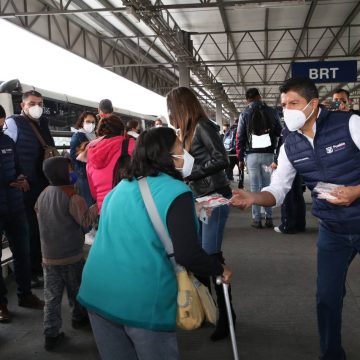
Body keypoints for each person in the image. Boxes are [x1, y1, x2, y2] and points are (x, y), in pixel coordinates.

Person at [231, 76, 360, 360]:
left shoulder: (349, 124)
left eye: (294, 103)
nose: (287, 110)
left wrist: (356, 191)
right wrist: (254, 197)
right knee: (326, 298)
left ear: (313, 104)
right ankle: (331, 354)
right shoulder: (290, 144)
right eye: (284, 105)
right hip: (333, 229)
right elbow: (278, 190)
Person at [77, 127, 232, 360]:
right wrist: (220, 269)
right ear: (164, 154)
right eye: (180, 147)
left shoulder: (117, 190)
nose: (185, 153)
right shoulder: (177, 192)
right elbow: (188, 254)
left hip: (96, 291)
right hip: (141, 298)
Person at [166, 86, 235, 341]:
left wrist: (189, 174)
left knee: (211, 255)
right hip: (201, 198)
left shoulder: (202, 126)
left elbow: (221, 158)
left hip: (214, 196)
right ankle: (212, 310)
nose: (170, 113)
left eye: (172, 108)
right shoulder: (187, 130)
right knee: (202, 254)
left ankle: (228, 318)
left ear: (181, 106)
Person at [35, 156, 97, 351]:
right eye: (69, 169)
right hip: (71, 256)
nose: (72, 173)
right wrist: (96, 207)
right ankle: (79, 319)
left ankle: (50, 335)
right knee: (77, 289)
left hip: (48, 256)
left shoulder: (43, 194)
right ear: (63, 173)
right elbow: (85, 222)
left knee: (51, 297)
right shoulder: (73, 197)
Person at [5, 90, 55, 287]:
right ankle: (31, 273)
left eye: (40, 104)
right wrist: (17, 176)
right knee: (28, 231)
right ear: (22, 106)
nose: (37, 107)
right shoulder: (13, 123)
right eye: (32, 103)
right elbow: (9, 152)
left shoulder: (43, 123)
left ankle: (39, 265)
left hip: (43, 185)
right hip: (24, 188)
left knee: (40, 228)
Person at [0, 105, 44, 322]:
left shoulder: (7, 142)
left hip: (16, 206)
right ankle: (1, 306)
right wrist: (8, 181)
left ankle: (25, 295)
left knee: (22, 252)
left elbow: (17, 166)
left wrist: (22, 177)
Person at [236, 87, 282, 229]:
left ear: (247, 100)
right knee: (268, 186)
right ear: (259, 97)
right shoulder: (272, 111)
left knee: (255, 187)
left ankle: (257, 219)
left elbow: (240, 137)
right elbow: (280, 132)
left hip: (252, 155)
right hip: (268, 154)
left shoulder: (244, 114)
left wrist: (240, 158)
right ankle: (269, 218)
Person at [86, 115, 135, 213]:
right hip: (128, 207)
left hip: (104, 212)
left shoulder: (90, 154)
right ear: (123, 132)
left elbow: (94, 193)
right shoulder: (130, 145)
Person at [272, 126, 306, 234]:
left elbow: (283, 145)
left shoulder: (289, 128)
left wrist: (276, 160)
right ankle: (300, 224)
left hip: (289, 162)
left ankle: (287, 225)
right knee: (297, 193)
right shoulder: (304, 125)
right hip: (301, 161)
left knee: (287, 193)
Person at [70, 111, 97, 207]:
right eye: (88, 121)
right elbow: (73, 156)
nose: (91, 124)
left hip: (92, 173)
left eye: (93, 122)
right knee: (88, 202)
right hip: (84, 175)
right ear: (82, 122)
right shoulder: (77, 136)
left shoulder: (94, 135)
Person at [223, 119, 241, 185]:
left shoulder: (229, 129)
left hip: (229, 150)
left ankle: (229, 179)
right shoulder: (240, 127)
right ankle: (241, 179)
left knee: (229, 166)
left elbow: (224, 139)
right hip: (238, 150)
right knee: (240, 165)